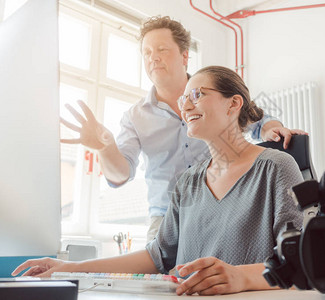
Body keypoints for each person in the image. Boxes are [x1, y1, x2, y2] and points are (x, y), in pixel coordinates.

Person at [13, 66, 304, 296]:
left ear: (233, 103)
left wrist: (240, 276)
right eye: (183, 99)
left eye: (197, 95)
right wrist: (71, 268)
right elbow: (157, 256)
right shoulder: (188, 182)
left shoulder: (276, 167)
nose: (185, 106)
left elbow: (298, 259)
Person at [61, 16, 307, 242]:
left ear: (184, 56)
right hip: (167, 214)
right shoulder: (134, 117)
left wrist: (272, 130)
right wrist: (105, 147)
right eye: (146, 52)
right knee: (163, 280)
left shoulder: (214, 91)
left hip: (225, 203)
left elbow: (257, 119)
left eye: (161, 50)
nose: (153, 57)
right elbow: (119, 174)